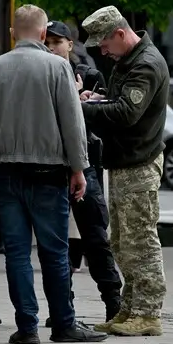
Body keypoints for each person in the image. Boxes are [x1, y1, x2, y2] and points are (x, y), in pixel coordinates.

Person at [0, 4, 109, 344]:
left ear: (14, 32)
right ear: (44, 33)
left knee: (17, 253)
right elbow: (72, 124)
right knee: (55, 251)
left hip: (5, 171)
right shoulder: (59, 67)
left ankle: (27, 327)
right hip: (48, 172)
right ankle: (63, 323)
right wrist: (78, 168)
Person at [80, 5, 169, 337]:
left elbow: (126, 114)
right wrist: (99, 98)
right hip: (124, 161)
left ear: (119, 33)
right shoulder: (128, 60)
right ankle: (129, 309)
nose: (102, 51)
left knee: (140, 240)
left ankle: (147, 313)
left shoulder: (145, 65)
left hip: (139, 163)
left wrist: (83, 108)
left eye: (104, 44)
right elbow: (117, 102)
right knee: (122, 240)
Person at [43, 20, 123, 327]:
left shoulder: (89, 75)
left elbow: (103, 119)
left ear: (70, 45)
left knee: (95, 238)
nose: (51, 47)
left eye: (57, 41)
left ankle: (113, 303)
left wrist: (79, 99)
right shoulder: (40, 74)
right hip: (50, 164)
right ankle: (62, 308)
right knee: (56, 241)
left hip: (85, 163)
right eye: (46, 41)